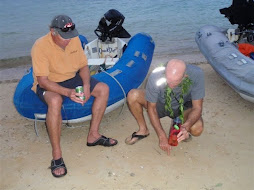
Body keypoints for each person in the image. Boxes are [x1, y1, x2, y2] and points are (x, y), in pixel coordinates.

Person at [31, 15, 118, 178]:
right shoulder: (40, 46)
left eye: (71, 36)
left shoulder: (74, 39)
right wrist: (68, 93)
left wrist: (86, 86)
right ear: (53, 32)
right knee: (55, 101)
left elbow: (83, 66)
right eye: (64, 37)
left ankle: (93, 135)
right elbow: (42, 81)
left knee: (103, 89)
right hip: (50, 82)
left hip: (72, 77)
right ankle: (57, 156)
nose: (68, 40)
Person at [125, 59, 204, 155]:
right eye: (168, 80)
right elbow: (152, 108)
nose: (170, 85)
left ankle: (180, 129)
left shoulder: (197, 74)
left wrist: (186, 127)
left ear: (185, 76)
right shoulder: (156, 74)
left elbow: (197, 107)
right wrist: (162, 136)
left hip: (183, 107)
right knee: (133, 95)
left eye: (175, 82)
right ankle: (143, 130)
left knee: (197, 129)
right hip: (161, 104)